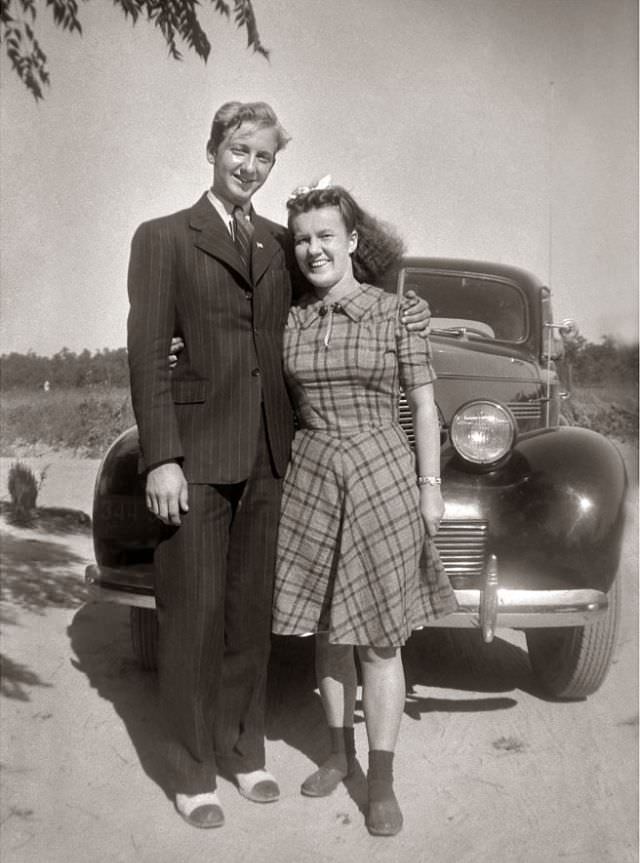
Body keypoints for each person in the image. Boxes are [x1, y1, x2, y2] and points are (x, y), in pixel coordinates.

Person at [127, 101, 431, 829]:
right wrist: (161, 455)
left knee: (248, 622)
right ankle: (194, 769)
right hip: (196, 459)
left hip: (273, 462)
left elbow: (360, 267)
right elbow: (145, 354)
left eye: (263, 157)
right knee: (194, 617)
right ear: (212, 149)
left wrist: (400, 297)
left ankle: (243, 748)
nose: (248, 166)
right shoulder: (164, 237)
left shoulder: (278, 243)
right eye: (238, 150)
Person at [271, 184, 458, 836]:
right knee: (329, 631)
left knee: (379, 637)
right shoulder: (289, 318)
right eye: (302, 238)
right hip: (314, 477)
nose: (313, 247)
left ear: (353, 241)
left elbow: (425, 404)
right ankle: (337, 753)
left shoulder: (396, 313)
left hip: (381, 474)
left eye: (326, 234)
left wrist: (430, 486)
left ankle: (380, 780)